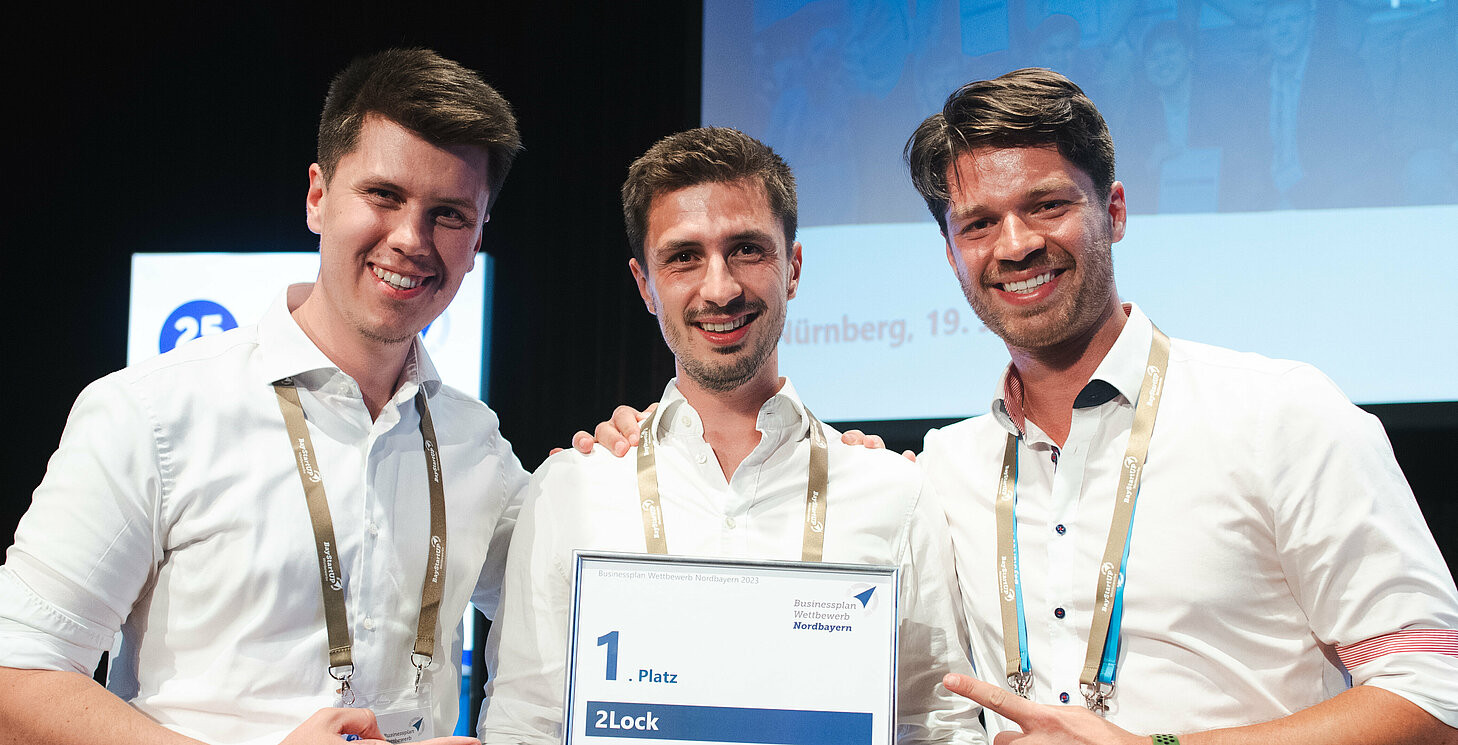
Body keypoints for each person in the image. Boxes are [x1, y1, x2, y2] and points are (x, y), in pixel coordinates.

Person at [585, 69, 1458, 744]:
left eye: (1047, 205)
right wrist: (651, 439)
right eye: (977, 223)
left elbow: (1435, 690)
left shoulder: (1281, 415)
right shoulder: (943, 470)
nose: (1017, 245)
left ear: (1112, 211)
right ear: (951, 250)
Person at [0, 48, 527, 745]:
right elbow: (6, 693)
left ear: (477, 239)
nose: (411, 239)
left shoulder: (475, 442)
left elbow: (575, 605)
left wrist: (633, 447)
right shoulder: (152, 413)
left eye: (448, 213)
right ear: (318, 196)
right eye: (383, 195)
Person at [477, 127, 983, 744]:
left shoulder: (892, 491)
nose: (720, 288)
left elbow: (938, 722)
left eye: (746, 249)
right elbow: (523, 721)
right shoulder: (571, 489)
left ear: (792, 268)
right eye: (684, 256)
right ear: (645, 285)